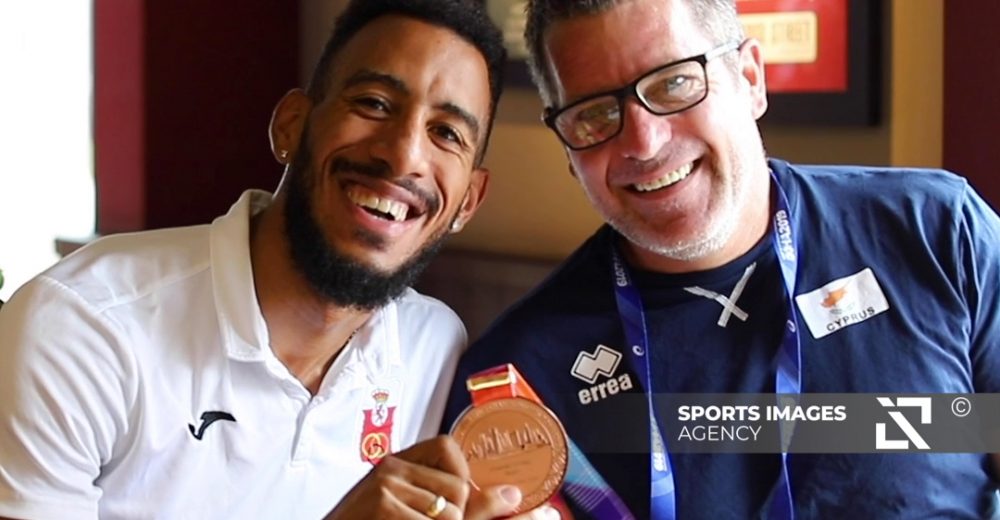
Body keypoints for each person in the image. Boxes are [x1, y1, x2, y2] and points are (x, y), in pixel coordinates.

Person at [443, 0, 1000, 518]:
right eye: (594, 114)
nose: (643, 142)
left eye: (674, 83)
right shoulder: (519, 380)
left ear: (750, 78)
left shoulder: (935, 232)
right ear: (569, 149)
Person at [0, 0, 529, 518]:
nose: (404, 154)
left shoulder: (433, 349)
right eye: (374, 103)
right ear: (290, 127)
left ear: (468, 202)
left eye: (446, 134)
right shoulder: (83, 325)